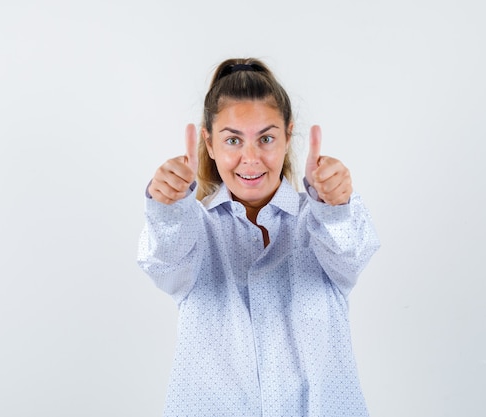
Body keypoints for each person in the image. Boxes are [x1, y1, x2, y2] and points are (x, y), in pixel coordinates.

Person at [137, 57, 380, 417]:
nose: (250, 158)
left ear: (287, 136)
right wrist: (167, 207)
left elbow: (353, 254)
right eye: (233, 140)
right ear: (209, 142)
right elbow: (163, 261)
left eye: (265, 138)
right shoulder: (196, 230)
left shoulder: (319, 223)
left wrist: (335, 205)